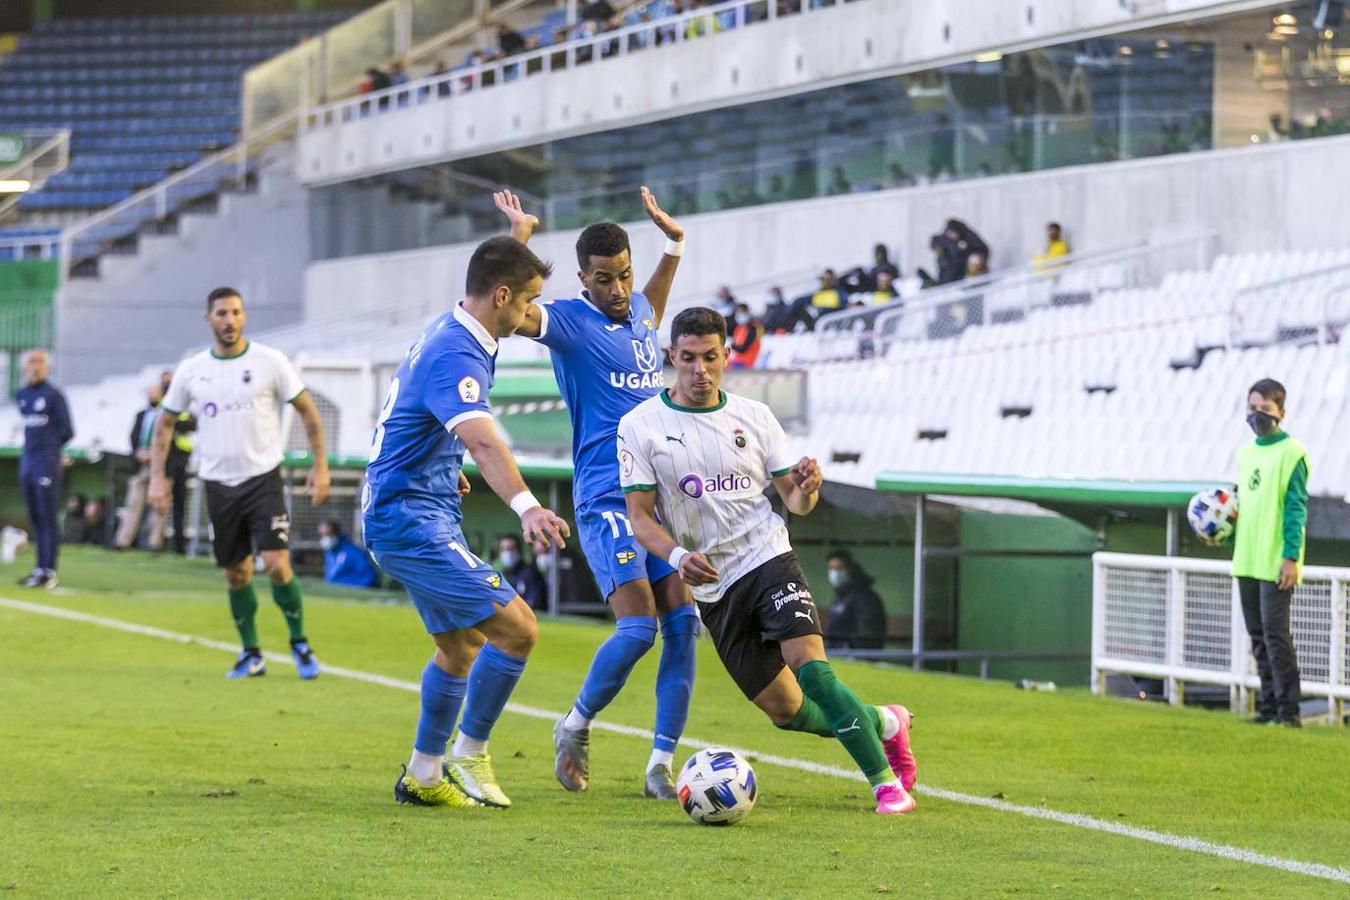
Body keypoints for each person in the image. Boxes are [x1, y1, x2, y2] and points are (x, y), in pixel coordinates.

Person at [618, 307, 918, 815]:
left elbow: (795, 502)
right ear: (672, 357)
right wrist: (677, 555)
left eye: (710, 357)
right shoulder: (640, 426)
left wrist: (806, 489)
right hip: (712, 586)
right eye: (688, 358)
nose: (699, 370)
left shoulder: (755, 418)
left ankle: (886, 785)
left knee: (814, 673)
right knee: (786, 711)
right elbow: (641, 518)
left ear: (726, 357)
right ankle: (885, 722)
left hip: (767, 557)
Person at [497, 187, 700, 800]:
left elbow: (652, 301)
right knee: (638, 632)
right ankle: (574, 725)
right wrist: (519, 238)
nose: (617, 289)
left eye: (624, 275)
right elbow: (502, 312)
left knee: (685, 629)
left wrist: (674, 243)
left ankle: (660, 765)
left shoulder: (639, 310)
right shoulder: (565, 321)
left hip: (661, 501)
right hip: (606, 501)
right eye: (604, 279)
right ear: (583, 278)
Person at [362, 235, 569, 809]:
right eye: (527, 301)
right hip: (408, 519)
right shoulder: (456, 351)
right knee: (519, 628)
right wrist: (528, 506)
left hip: (415, 504)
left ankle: (424, 776)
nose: (531, 315)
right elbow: (480, 439)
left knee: (460, 647)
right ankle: (470, 752)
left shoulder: (455, 327)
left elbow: (412, 419)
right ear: (501, 296)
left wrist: (517, 240)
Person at [150, 287, 331, 681]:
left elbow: (308, 412)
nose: (229, 320)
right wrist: (156, 478)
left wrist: (321, 466)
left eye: (235, 312)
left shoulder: (270, 361)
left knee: (277, 565)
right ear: (208, 319)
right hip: (218, 483)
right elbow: (164, 423)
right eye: (221, 313)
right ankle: (251, 653)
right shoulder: (192, 369)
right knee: (237, 574)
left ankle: (300, 643)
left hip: (263, 478)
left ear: (244, 316)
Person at [1231, 379, 1308, 728]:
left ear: (1281, 412)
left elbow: (1296, 509)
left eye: (1265, 410)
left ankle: (1289, 713)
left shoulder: (1293, 453)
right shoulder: (1246, 453)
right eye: (1252, 409)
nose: (1257, 416)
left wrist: (1291, 556)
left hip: (1276, 561)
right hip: (1246, 558)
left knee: (1277, 637)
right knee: (1258, 638)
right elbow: (1246, 501)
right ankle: (1266, 710)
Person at [15, 349, 73, 589]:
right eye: (31, 362)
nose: (35, 366)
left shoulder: (54, 395)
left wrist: (52, 452)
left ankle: (49, 571)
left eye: (40, 362)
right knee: (35, 517)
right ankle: (39, 569)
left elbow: (68, 430)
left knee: (47, 516)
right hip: (27, 460)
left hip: (46, 462)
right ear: (23, 367)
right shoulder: (22, 395)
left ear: (47, 367)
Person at [116, 384, 168, 551]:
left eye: (155, 393)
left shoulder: (167, 414)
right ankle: (123, 541)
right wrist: (138, 453)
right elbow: (133, 437)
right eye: (150, 393)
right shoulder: (140, 415)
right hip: (140, 466)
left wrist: (156, 454)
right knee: (133, 503)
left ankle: (155, 543)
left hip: (160, 467)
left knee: (158, 506)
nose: (152, 396)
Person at [158, 369, 195, 555]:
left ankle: (179, 546)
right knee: (161, 504)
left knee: (179, 506)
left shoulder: (184, 406)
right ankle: (157, 543)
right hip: (165, 465)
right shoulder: (161, 406)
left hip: (181, 463)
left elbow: (192, 424)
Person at [824, 550, 887, 649]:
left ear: (850, 569)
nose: (835, 573)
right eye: (831, 568)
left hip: (856, 659)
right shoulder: (840, 598)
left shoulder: (866, 599)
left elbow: (870, 637)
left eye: (839, 568)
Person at [318, 519, 380, 588]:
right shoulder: (330, 552)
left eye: (327, 534)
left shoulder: (352, 552)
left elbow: (369, 577)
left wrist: (345, 585)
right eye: (322, 535)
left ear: (336, 534)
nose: (324, 538)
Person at [497, 533, 546, 610]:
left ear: (519, 551)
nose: (507, 553)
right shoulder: (503, 574)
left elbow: (535, 601)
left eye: (511, 549)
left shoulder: (530, 573)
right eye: (504, 549)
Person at [728, 303, 764, 369]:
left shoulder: (754, 327)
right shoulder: (739, 328)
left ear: (747, 312)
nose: (739, 315)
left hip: (747, 362)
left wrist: (733, 346)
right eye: (737, 313)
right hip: (737, 360)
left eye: (741, 312)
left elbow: (743, 348)